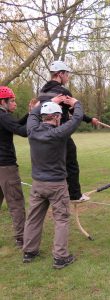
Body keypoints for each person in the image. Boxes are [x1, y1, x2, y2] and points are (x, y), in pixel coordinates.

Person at [23, 96, 83, 269]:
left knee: (33, 218)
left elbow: (32, 115)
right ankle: (60, 257)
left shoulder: (32, 130)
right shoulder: (59, 132)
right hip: (57, 185)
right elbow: (77, 118)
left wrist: (47, 102)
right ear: (57, 117)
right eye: (59, 117)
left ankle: (29, 252)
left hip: (37, 184)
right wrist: (76, 104)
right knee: (62, 219)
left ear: (43, 116)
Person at [38, 60, 99, 202]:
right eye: (66, 74)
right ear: (60, 74)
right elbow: (74, 110)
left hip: (44, 135)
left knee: (55, 164)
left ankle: (56, 192)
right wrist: (90, 120)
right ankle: (75, 195)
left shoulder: (42, 92)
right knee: (71, 163)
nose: (68, 77)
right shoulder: (62, 92)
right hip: (60, 133)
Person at [0, 86, 27, 247]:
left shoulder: (4, 117)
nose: (15, 104)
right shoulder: (3, 116)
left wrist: (30, 114)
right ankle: (21, 237)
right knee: (16, 203)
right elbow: (22, 131)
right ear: (3, 102)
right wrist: (37, 117)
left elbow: (14, 124)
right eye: (12, 100)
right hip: (6, 167)